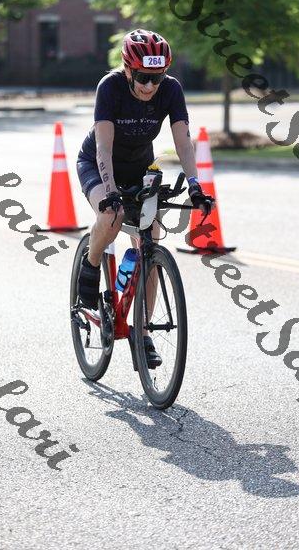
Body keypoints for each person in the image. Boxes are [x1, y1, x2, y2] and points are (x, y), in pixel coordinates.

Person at [76, 28, 214, 366]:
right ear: (127, 69)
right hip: (98, 163)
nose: (150, 86)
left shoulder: (171, 90)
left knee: (149, 240)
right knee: (112, 216)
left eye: (157, 77)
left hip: (139, 167)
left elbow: (183, 142)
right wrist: (110, 192)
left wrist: (195, 184)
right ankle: (90, 265)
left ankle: (143, 331)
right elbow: (103, 148)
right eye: (142, 77)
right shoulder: (110, 87)